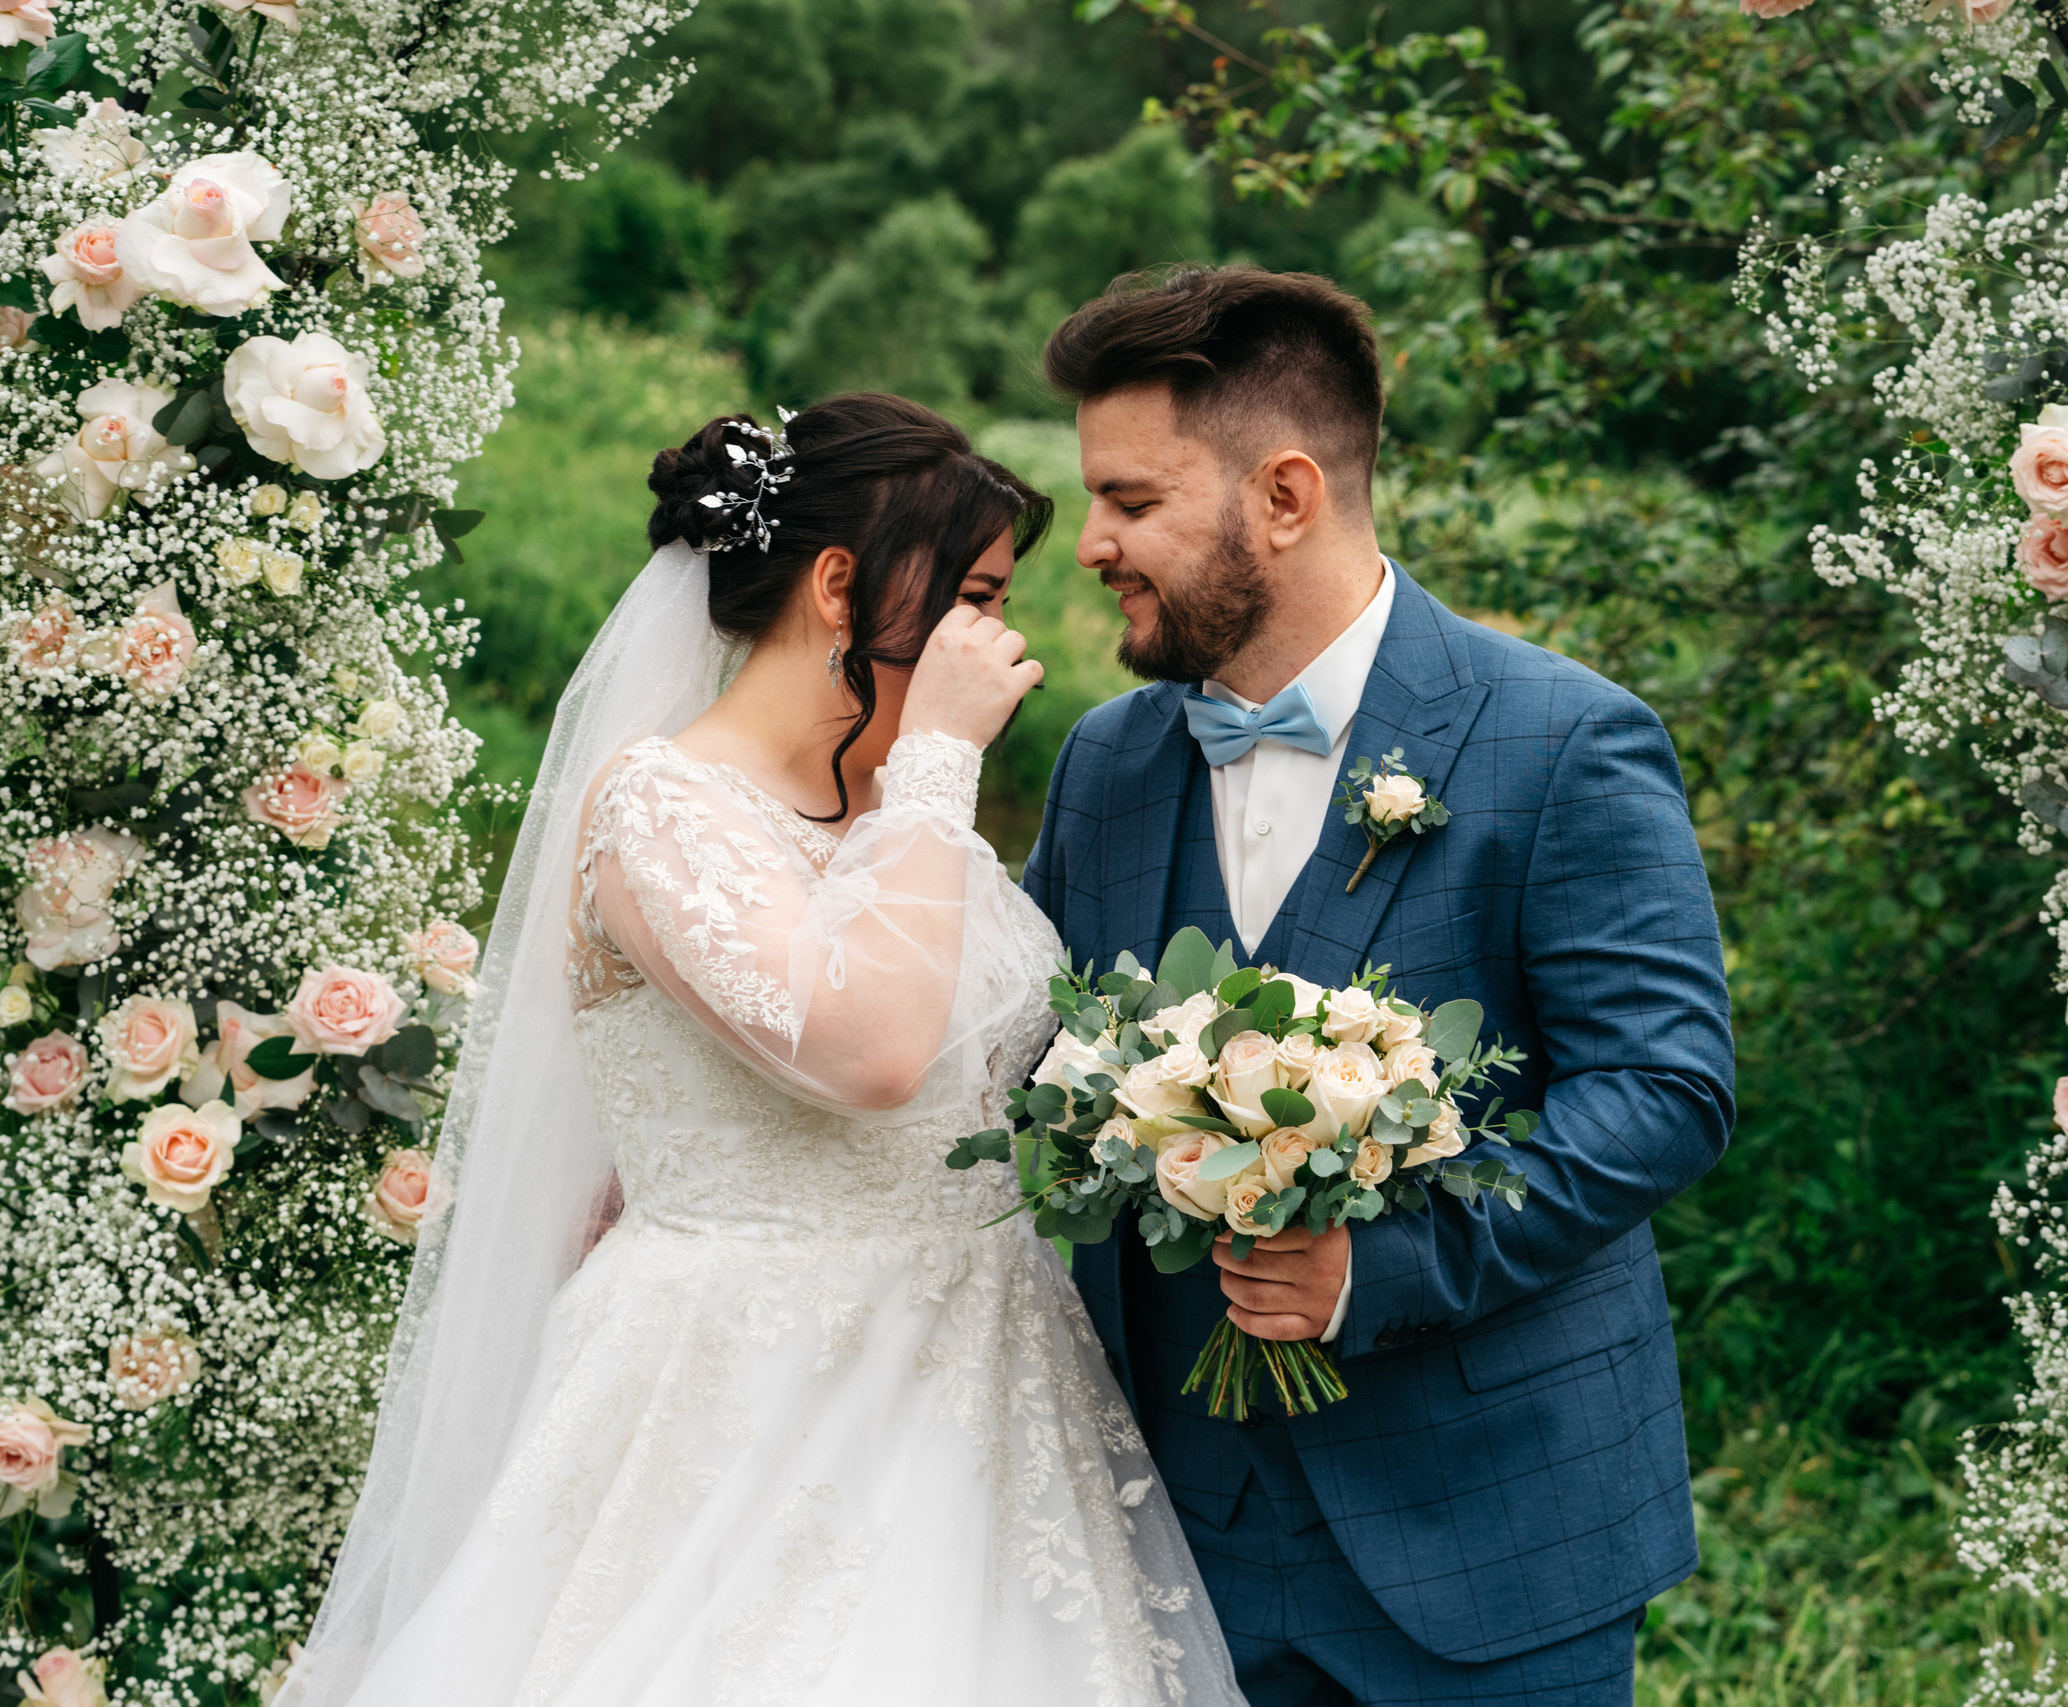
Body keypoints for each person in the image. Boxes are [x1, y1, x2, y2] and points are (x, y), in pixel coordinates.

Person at [280, 393, 1243, 1707]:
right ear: (841, 585)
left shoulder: (901, 819)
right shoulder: (662, 804)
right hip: (750, 1402)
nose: (997, 642)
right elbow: (869, 1051)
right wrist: (945, 760)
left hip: (984, 1390)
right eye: (971, 595)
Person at [1024, 265, 1738, 1706]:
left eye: (1134, 502)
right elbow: (1029, 1073)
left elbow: (1665, 1093)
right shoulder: (1104, 762)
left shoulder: (1563, 740)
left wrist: (1380, 1268)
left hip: (1496, 1540)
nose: (1091, 542)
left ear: (1285, 495)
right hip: (1178, 1544)